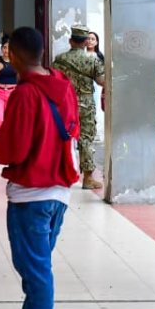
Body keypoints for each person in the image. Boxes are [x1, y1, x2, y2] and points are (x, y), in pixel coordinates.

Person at [0, 27, 80, 309]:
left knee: (35, 268)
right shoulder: (63, 84)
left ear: (12, 54)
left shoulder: (25, 95)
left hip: (32, 194)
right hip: (59, 192)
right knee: (36, 265)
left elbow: (11, 148)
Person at [52, 26, 105, 190]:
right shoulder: (92, 59)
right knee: (86, 139)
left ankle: (58, 174)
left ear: (71, 41)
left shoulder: (59, 59)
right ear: (85, 42)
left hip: (64, 102)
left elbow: (53, 80)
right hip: (86, 103)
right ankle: (88, 178)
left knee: (61, 137)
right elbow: (102, 81)